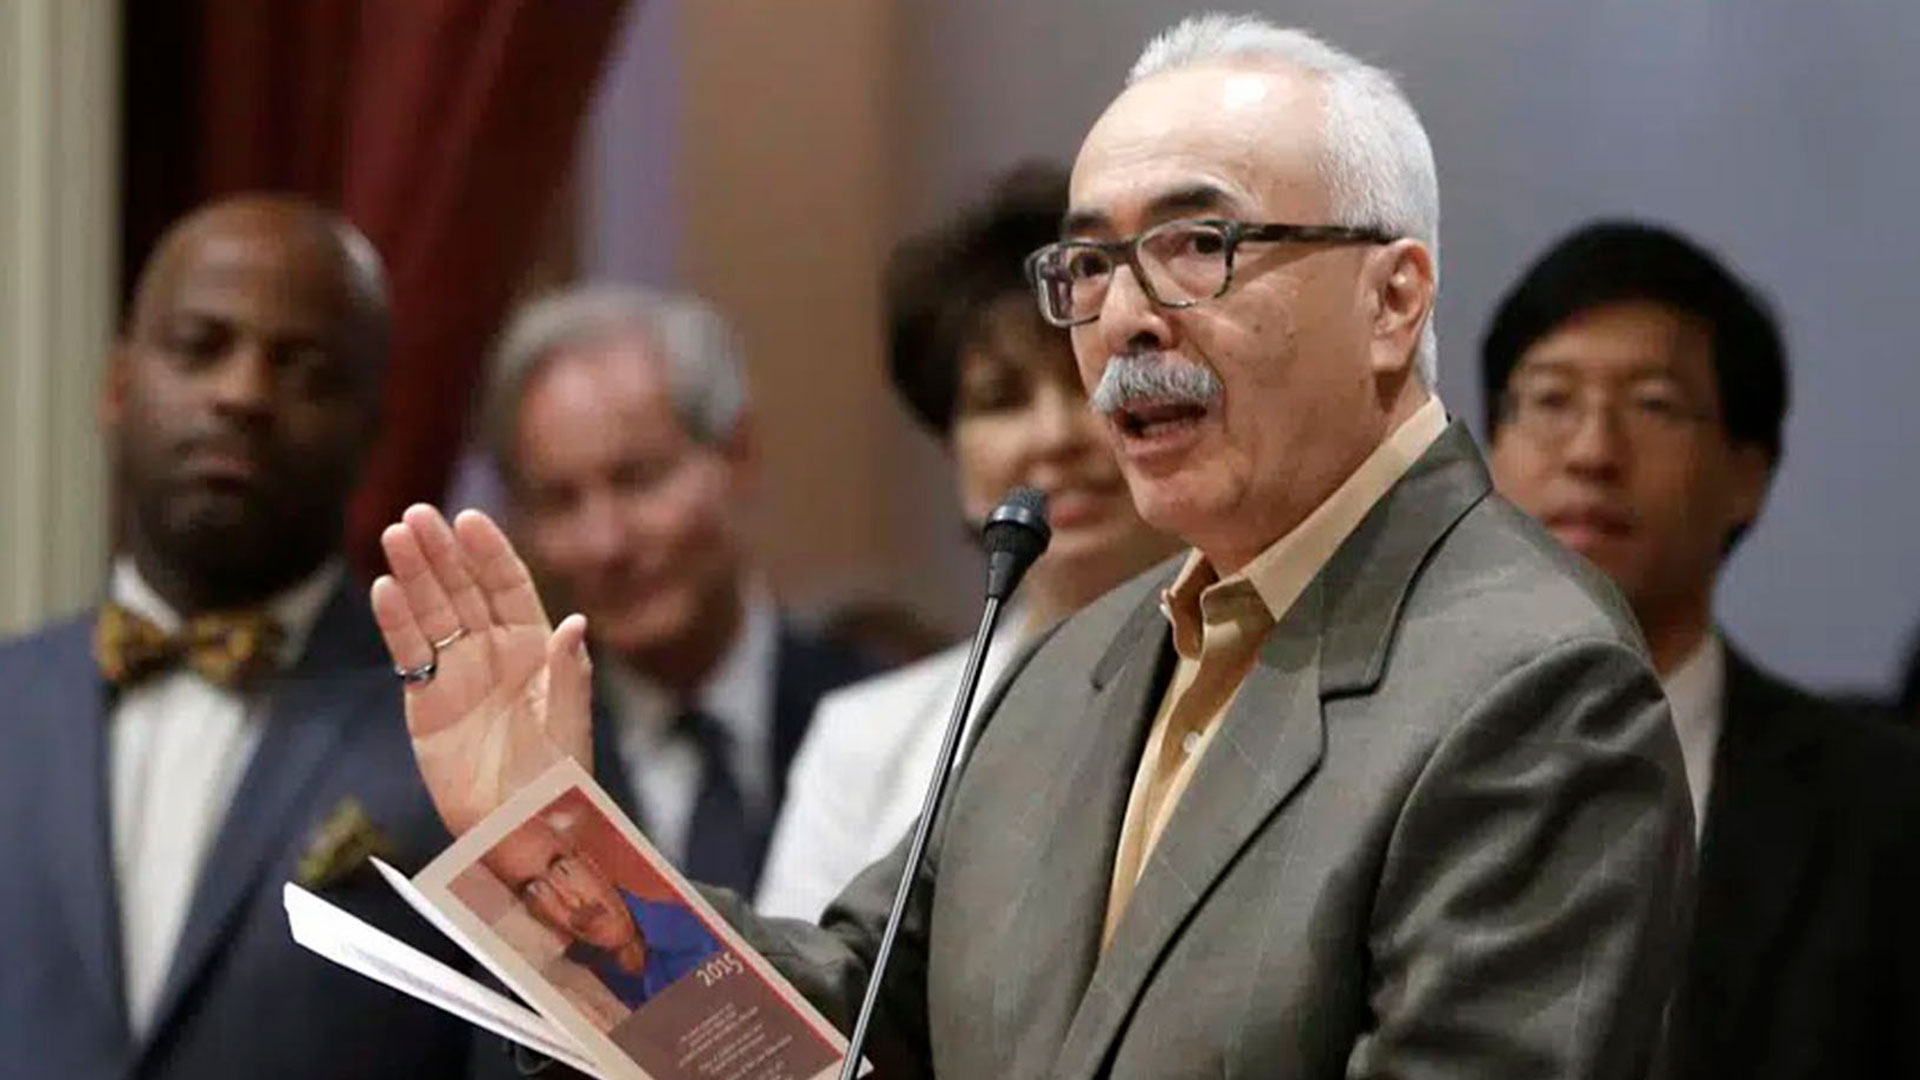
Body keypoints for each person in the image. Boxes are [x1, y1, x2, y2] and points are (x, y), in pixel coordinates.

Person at [374, 15, 1692, 1077]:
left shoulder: (1530, 685)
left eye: (1196, 244)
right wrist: (542, 846)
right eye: (1093, 267)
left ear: (1393, 298)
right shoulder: (1088, 656)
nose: (1123, 320)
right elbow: (850, 1008)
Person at [0, 195, 492, 1077]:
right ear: (117, 385)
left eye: (303, 367)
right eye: (200, 347)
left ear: (373, 431)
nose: (243, 393)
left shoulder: (467, 738)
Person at [1483, 219, 1920, 1080]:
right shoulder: (1372, 765)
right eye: (1550, 400)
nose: (1592, 452)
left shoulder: (1887, 811)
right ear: (1491, 454)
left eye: (1652, 406)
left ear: (1748, 476)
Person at [756, 164, 1179, 921]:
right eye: (1000, 399)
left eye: (1085, 380)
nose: (1053, 436)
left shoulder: (1269, 685)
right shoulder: (865, 743)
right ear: (951, 452)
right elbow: (796, 1021)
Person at [478, 286, 874, 897]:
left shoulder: (881, 722)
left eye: (638, 480)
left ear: (737, 454)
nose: (606, 542)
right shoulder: (510, 771)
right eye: (559, 500)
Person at [484, 815, 722, 1010]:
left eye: (562, 867)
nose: (572, 900)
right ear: (531, 914)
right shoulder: (565, 997)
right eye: (535, 890)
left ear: (590, 864)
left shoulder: (712, 920)